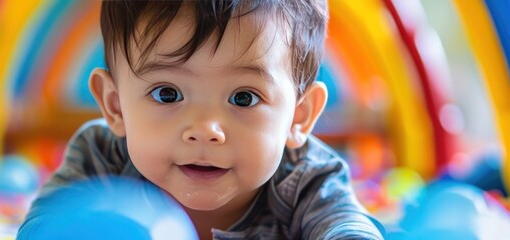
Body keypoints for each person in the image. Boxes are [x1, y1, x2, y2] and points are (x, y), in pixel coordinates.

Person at [21, 1, 385, 239]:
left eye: (243, 98)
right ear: (115, 106)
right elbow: (42, 230)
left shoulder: (306, 179)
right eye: (167, 94)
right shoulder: (101, 160)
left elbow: (349, 229)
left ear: (298, 116)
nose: (205, 130)